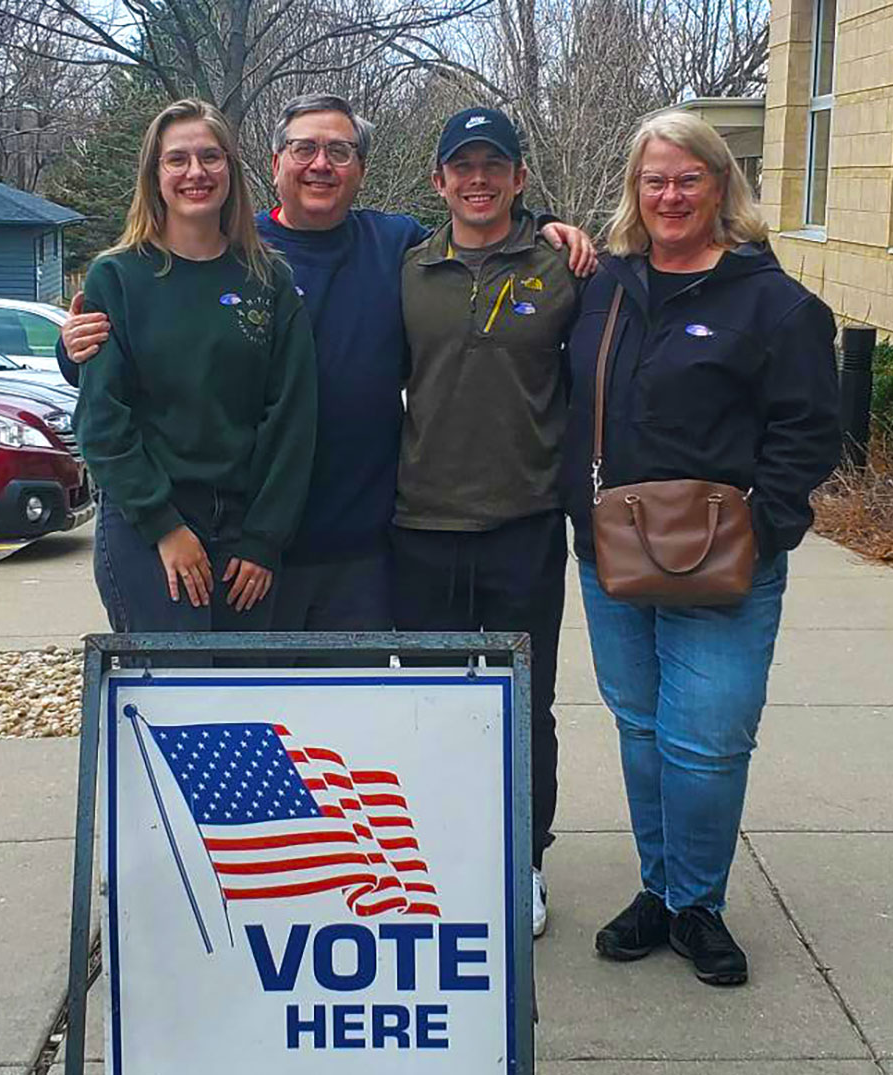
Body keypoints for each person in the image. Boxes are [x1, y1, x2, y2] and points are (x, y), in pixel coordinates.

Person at [60, 92, 596, 634]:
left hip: (361, 543)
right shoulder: (238, 254)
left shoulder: (396, 245)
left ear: (361, 169)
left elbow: (477, 226)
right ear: (275, 165)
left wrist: (542, 226)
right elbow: (134, 353)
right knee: (237, 703)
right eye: (304, 149)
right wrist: (74, 346)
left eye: (340, 151)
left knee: (354, 710)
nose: (321, 164)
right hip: (252, 540)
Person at [559, 111, 840, 984]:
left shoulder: (775, 302)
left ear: (722, 185)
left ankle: (698, 905)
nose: (670, 195)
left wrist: (769, 527)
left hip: (725, 559)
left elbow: (808, 429)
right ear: (633, 192)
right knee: (643, 732)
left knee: (706, 740)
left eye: (688, 178)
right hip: (613, 550)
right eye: (654, 180)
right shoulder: (603, 285)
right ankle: (658, 888)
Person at [392, 108, 581, 938]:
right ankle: (438, 852)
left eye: (493, 165)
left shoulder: (566, 269)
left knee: (522, 705)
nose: (478, 179)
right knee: (429, 704)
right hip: (419, 527)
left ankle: (521, 861)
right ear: (439, 181)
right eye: (461, 165)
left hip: (525, 526)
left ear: (518, 178)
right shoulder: (405, 272)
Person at [73, 98, 316, 640]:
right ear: (154, 175)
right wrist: (164, 526)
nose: (196, 173)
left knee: (247, 703)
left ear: (230, 167)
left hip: (244, 527)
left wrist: (265, 538)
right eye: (177, 159)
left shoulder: (268, 279)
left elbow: (292, 417)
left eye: (211, 157)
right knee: (170, 694)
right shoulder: (117, 277)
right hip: (148, 522)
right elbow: (102, 420)